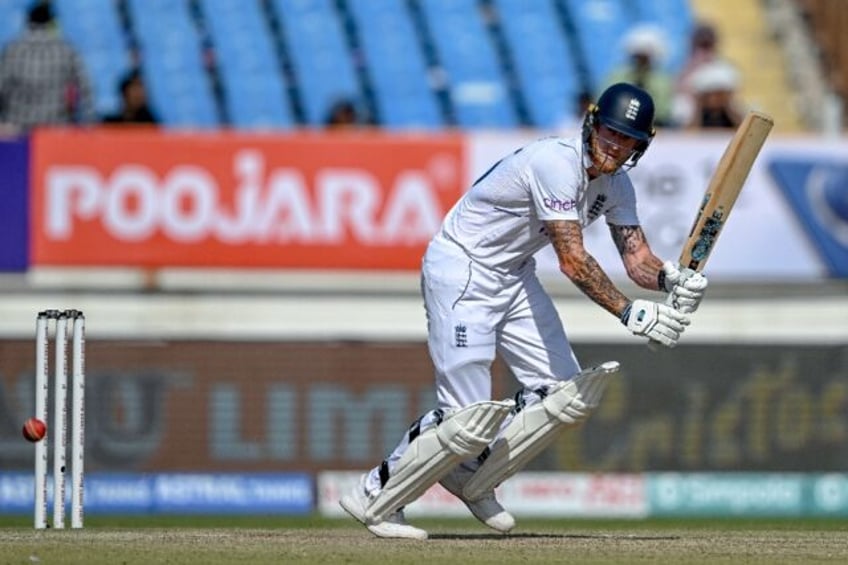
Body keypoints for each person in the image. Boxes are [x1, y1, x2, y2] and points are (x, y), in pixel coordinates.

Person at [339, 83, 708, 539]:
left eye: (628, 138)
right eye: (610, 132)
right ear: (593, 125)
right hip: (464, 268)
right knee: (465, 419)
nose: (615, 144)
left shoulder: (617, 185)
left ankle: (474, 479)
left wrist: (671, 277)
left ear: (641, 144)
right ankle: (374, 492)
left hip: (514, 274)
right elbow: (572, 260)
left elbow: (637, 260)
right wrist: (630, 313)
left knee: (565, 395)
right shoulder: (555, 163)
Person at [0, 1, 95, 132]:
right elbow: (86, 90)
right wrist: (90, 127)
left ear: (28, 22)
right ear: (52, 23)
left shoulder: (11, 50)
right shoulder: (67, 50)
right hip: (56, 131)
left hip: (17, 131)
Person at [603, 25, 675, 127]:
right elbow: (606, 101)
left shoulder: (661, 79)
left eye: (644, 57)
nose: (640, 61)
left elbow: (664, 111)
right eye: (637, 56)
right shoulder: (618, 74)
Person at [685, 59, 745, 129]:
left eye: (719, 94)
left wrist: (728, 106)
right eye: (711, 94)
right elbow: (689, 134)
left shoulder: (731, 113)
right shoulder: (699, 113)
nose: (715, 99)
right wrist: (698, 108)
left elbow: (742, 129)